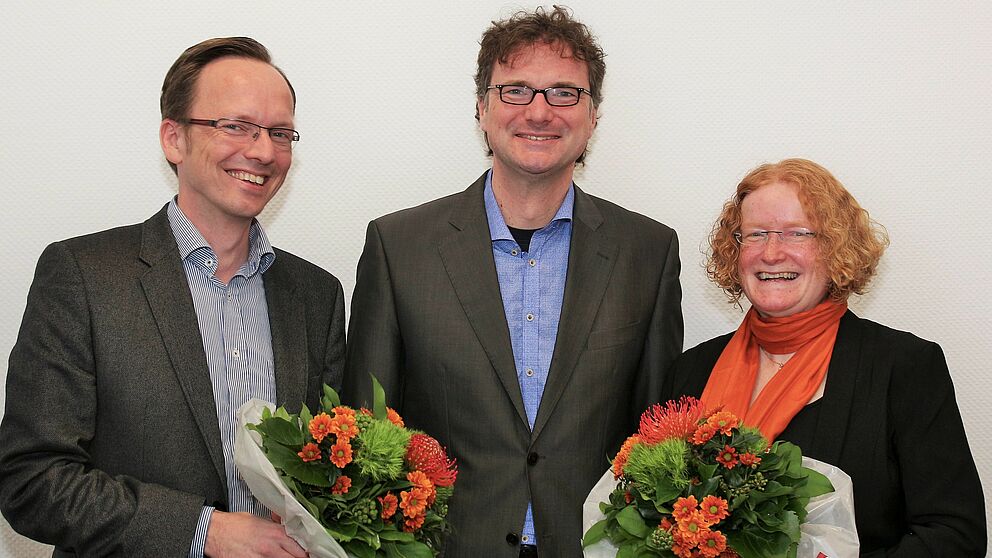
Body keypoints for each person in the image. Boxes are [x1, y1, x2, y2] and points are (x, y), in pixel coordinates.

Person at [342, 6, 682, 557]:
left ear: (593, 114)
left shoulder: (648, 252)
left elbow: (656, 438)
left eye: (564, 93)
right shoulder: (397, 247)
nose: (540, 111)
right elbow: (369, 434)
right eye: (516, 90)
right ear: (482, 107)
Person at [0, 37, 346, 558]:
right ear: (174, 139)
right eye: (235, 126)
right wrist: (205, 532)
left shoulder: (316, 295)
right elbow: (31, 480)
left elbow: (330, 464)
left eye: (280, 133)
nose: (262, 151)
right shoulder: (83, 276)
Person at [663, 158, 986, 556]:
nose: (771, 253)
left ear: (836, 248)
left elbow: (955, 535)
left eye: (797, 234)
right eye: (755, 234)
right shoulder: (691, 370)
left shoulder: (904, 367)